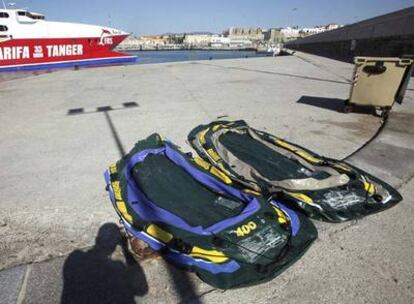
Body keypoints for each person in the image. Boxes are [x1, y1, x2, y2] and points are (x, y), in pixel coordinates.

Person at [61, 223, 148, 304]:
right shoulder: (116, 269)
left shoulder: (74, 258)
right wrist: (126, 251)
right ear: (116, 245)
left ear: (97, 239)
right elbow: (142, 291)